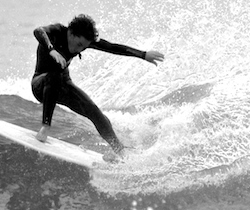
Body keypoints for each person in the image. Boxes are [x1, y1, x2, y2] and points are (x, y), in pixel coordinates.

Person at [31, 14, 164, 161]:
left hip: (63, 85)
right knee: (54, 76)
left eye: (84, 47)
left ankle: (120, 151)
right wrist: (52, 50)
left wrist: (143, 55)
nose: (79, 50)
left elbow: (112, 47)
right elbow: (38, 31)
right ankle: (45, 127)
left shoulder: (84, 42)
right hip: (40, 84)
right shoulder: (56, 32)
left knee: (94, 112)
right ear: (71, 32)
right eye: (79, 44)